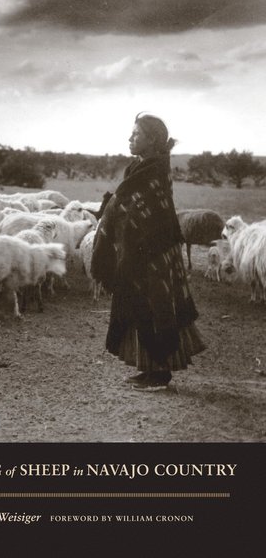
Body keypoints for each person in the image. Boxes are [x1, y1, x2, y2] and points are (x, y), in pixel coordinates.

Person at [91, 113, 205, 389]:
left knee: (157, 307)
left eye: (136, 134)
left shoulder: (155, 170)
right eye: (131, 134)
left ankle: (161, 372)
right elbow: (125, 205)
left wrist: (116, 211)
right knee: (139, 306)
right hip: (138, 252)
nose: (130, 138)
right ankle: (148, 368)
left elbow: (149, 213)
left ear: (152, 139)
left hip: (154, 253)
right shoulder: (138, 168)